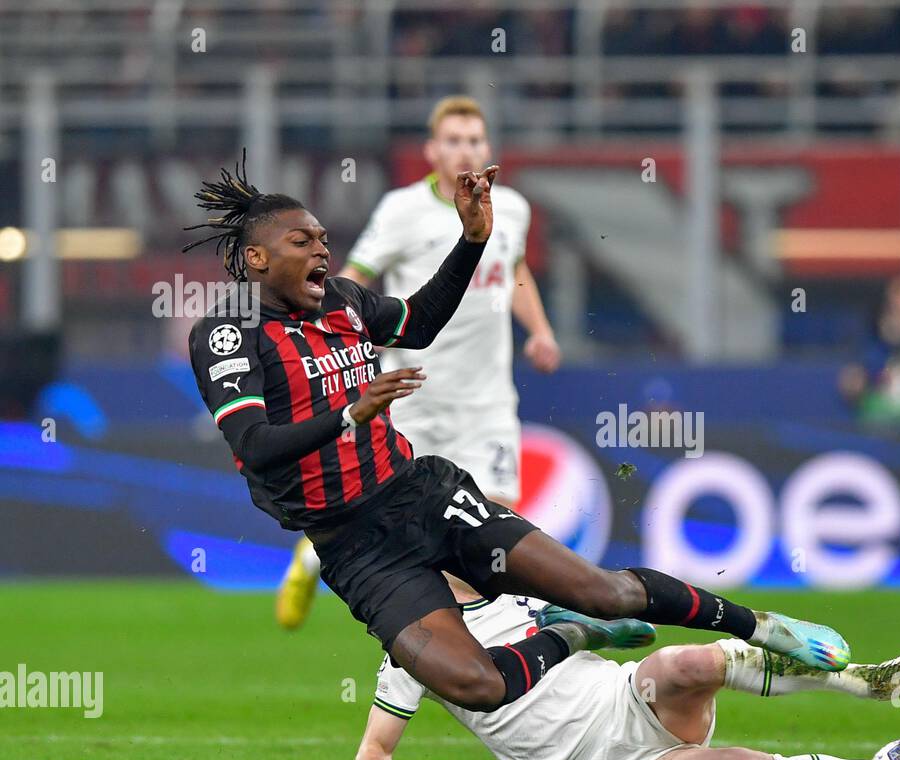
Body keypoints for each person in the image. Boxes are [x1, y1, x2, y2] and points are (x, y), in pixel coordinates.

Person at [185, 152, 850, 718]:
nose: (322, 249)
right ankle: (571, 637)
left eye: (324, 238)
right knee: (478, 688)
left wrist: (471, 240)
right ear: (256, 258)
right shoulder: (226, 335)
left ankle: (762, 628)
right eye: (303, 241)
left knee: (604, 589)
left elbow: (416, 324)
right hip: (354, 549)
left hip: (420, 494)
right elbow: (253, 444)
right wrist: (349, 414)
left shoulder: (346, 302)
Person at [277, 95, 560, 628]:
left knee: (495, 520)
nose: (464, 150)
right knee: (389, 516)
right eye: (453, 140)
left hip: (488, 400)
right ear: (432, 151)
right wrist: (327, 336)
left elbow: (516, 268)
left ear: (488, 148)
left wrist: (540, 330)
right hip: (413, 395)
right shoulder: (401, 210)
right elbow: (355, 279)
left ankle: (475, 641)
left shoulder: (513, 209)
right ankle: (311, 558)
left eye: (474, 140)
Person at [341, 594, 900, 760]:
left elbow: (638, 632)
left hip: (631, 698)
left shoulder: (526, 592)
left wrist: (591, 622)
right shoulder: (415, 649)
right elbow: (375, 749)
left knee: (692, 661)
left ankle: (863, 679)